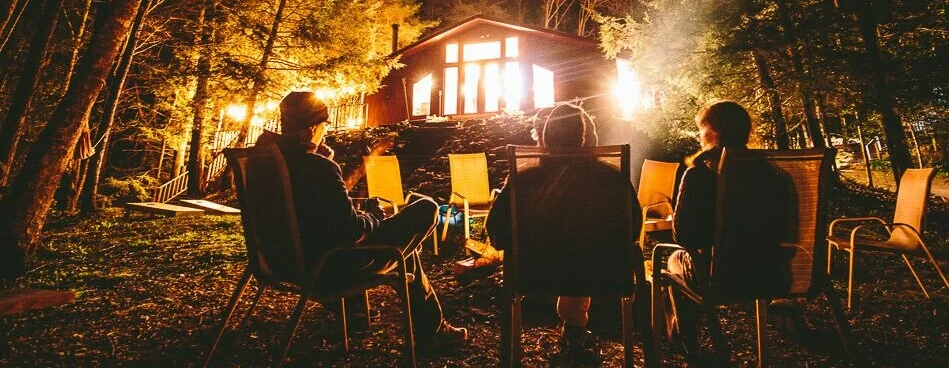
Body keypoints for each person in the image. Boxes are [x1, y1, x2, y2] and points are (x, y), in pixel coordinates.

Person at [255, 91, 467, 350]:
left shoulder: (268, 161)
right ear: (312, 128)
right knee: (426, 208)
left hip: (281, 260)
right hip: (331, 265)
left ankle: (399, 320)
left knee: (404, 249)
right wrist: (374, 215)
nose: (326, 131)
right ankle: (430, 329)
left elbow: (318, 216)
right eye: (324, 125)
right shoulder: (316, 167)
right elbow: (351, 231)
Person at [487, 103, 642, 366]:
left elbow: (497, 234)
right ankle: (576, 330)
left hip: (534, 274)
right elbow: (632, 231)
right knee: (581, 252)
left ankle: (572, 330)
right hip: (604, 273)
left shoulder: (525, 178)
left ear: (546, 138)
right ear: (589, 139)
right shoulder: (612, 178)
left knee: (568, 252)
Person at [666, 101, 793, 362]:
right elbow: (789, 227)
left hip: (722, 275)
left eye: (701, 130)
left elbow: (684, 237)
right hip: (773, 272)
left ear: (712, 133)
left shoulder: (699, 174)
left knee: (674, 260)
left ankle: (689, 344)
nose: (699, 136)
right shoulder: (773, 171)